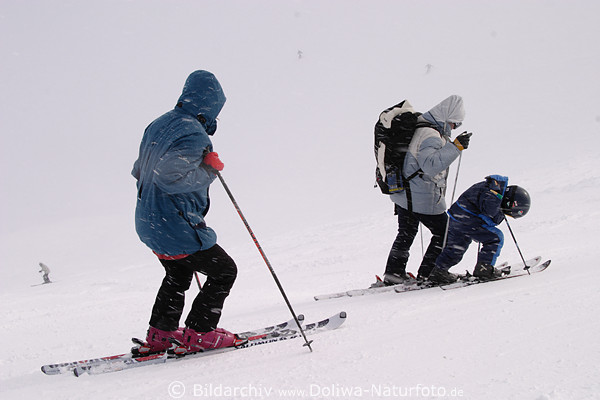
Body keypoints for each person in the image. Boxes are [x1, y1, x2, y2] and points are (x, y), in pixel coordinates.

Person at [131, 70, 243, 355]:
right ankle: (200, 332)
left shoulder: (159, 124)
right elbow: (170, 177)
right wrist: (208, 170)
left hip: (149, 222)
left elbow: (139, 170)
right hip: (175, 227)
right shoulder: (192, 131)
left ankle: (161, 333)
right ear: (210, 105)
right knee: (224, 270)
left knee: (178, 273)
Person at [381, 95, 472, 285]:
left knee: (406, 232)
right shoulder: (430, 135)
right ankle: (430, 273)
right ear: (447, 118)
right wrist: (456, 147)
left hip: (403, 194)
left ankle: (393, 273)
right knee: (446, 232)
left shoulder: (420, 128)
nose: (454, 128)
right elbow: (430, 165)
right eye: (455, 123)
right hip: (420, 196)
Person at [427, 175, 531, 284]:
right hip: (468, 219)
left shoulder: (494, 189)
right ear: (510, 203)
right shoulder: (495, 192)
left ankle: (439, 271)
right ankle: (484, 269)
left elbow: (487, 212)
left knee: (457, 247)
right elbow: (490, 212)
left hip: (458, 218)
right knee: (495, 238)